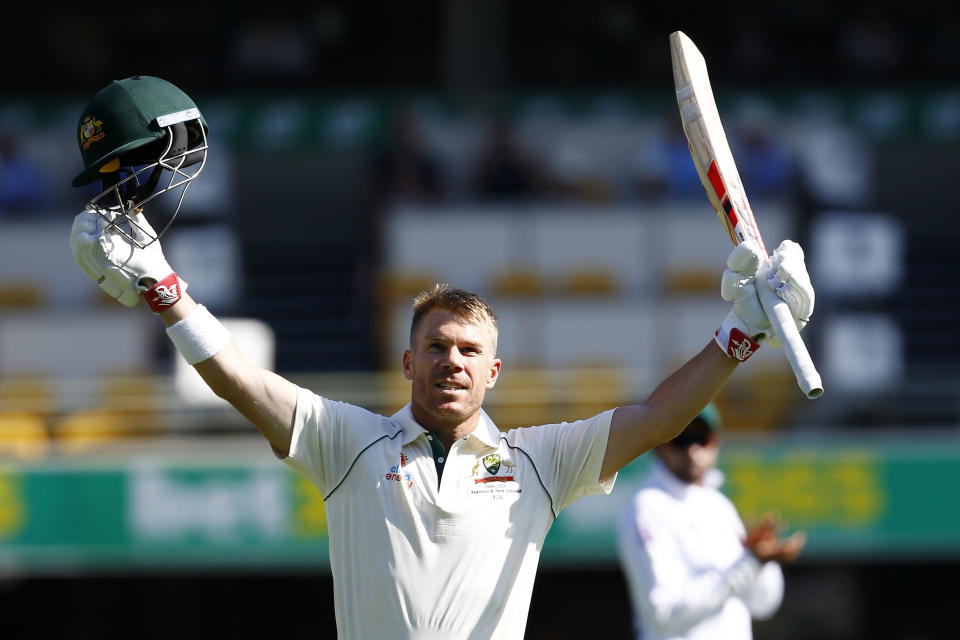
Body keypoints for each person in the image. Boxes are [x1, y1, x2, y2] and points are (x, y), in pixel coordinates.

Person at [68, 76, 815, 639]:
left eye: (468, 351)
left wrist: (740, 333)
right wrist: (168, 292)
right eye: (436, 347)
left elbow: (658, 418)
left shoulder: (537, 464)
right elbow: (238, 380)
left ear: (495, 372)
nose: (451, 361)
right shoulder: (348, 444)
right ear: (407, 362)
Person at [616, 404, 806, 640]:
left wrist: (761, 563)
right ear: (660, 444)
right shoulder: (647, 507)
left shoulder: (719, 505)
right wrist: (748, 564)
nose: (693, 449)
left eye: (701, 438)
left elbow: (763, 605)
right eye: (681, 439)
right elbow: (663, 611)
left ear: (715, 442)